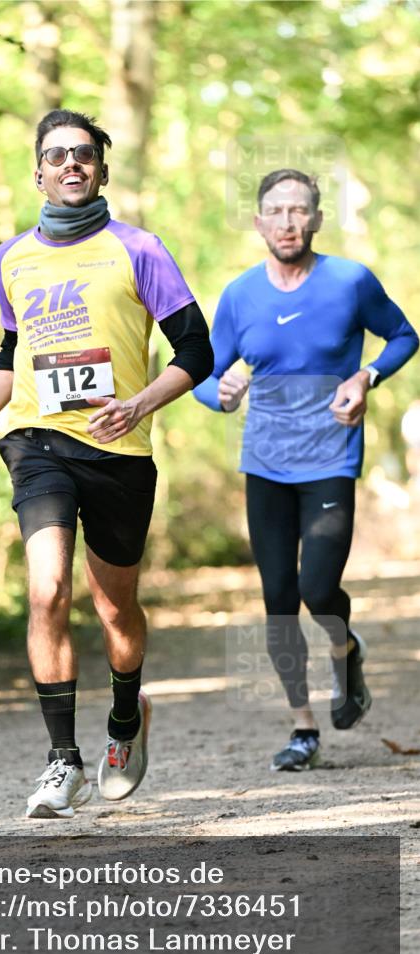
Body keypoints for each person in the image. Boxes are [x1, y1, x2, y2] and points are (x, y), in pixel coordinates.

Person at [0, 109, 213, 817]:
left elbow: (196, 353)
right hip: (35, 442)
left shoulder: (139, 249)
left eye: (84, 155)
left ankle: (123, 721)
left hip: (118, 450)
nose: (71, 165)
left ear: (102, 171)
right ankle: (62, 762)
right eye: (57, 156)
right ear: (39, 172)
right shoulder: (10, 258)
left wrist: (140, 405)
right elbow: (7, 357)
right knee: (47, 589)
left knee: (116, 610)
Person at [193, 168, 418, 772]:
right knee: (277, 599)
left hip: (329, 459)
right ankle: (303, 727)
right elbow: (201, 376)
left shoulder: (350, 282)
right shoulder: (241, 295)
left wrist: (366, 375)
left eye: (299, 210)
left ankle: (346, 651)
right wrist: (224, 391)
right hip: (265, 464)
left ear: (316, 219)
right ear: (259, 221)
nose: (288, 221)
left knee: (319, 590)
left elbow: (403, 335)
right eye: (276, 211)